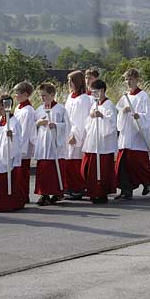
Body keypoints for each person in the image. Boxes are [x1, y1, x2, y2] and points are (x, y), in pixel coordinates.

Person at [114, 69, 150, 200]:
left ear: (137, 80)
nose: (128, 82)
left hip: (137, 135)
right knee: (122, 164)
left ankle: (148, 182)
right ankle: (126, 189)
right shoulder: (125, 96)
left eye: (131, 79)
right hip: (127, 134)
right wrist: (123, 111)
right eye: (126, 79)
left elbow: (146, 116)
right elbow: (118, 110)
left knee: (138, 164)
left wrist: (139, 116)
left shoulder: (143, 96)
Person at [0, 94, 25, 213]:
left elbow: (18, 139)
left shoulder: (14, 121)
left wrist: (11, 136)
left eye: (1, 108)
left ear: (8, 107)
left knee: (4, 181)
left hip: (8, 155)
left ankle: (3, 203)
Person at [82, 79, 118, 204]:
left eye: (94, 92)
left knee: (101, 170)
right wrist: (92, 116)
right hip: (93, 141)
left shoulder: (109, 105)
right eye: (91, 92)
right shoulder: (94, 104)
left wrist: (101, 116)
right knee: (89, 168)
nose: (92, 95)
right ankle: (92, 191)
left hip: (103, 144)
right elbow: (88, 122)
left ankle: (101, 193)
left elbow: (112, 124)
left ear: (102, 91)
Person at [33, 82, 68, 206]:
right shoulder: (39, 109)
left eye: (45, 95)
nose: (43, 98)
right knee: (43, 169)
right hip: (43, 143)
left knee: (54, 169)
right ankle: (44, 193)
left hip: (55, 145)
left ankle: (57, 193)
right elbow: (33, 126)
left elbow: (67, 126)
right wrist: (38, 123)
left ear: (52, 95)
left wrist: (57, 126)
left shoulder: (60, 109)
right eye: (41, 96)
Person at [62, 71, 91, 200]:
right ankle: (69, 186)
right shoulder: (70, 97)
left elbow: (81, 119)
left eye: (71, 81)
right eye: (68, 81)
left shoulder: (84, 99)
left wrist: (75, 134)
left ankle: (78, 187)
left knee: (75, 161)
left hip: (78, 133)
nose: (69, 84)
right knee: (68, 161)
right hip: (68, 131)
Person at [10, 82, 37, 205]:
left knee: (23, 172)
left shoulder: (28, 110)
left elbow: (26, 130)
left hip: (23, 146)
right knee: (17, 172)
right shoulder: (18, 108)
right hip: (16, 142)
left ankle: (23, 194)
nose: (15, 96)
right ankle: (19, 193)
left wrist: (21, 146)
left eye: (17, 93)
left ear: (25, 94)